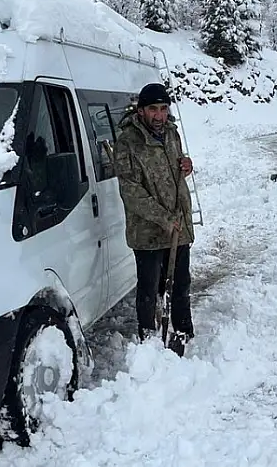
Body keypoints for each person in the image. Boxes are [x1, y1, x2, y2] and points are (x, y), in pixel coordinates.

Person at [113, 82, 195, 356]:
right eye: (153, 109)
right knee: (150, 290)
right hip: (147, 231)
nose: (159, 115)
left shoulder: (171, 133)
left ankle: (183, 332)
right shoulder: (127, 141)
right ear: (141, 110)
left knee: (181, 284)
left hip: (177, 225)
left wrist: (185, 164)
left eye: (163, 108)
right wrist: (163, 218)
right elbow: (130, 190)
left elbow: (174, 165)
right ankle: (148, 340)